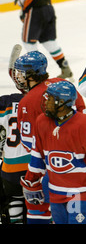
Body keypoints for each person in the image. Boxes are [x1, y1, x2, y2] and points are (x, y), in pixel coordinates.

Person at [20, 81, 86, 224]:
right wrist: (31, 180)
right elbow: (38, 155)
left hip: (83, 192)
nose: (45, 102)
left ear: (63, 102)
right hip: (55, 191)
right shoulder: (42, 122)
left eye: (50, 99)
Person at [14, 50, 86, 223]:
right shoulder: (62, 84)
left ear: (31, 74)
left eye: (22, 73)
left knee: (37, 207)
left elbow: (29, 144)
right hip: (78, 163)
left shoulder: (27, 102)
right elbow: (82, 113)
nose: (18, 77)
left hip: (50, 167)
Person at [0, 91, 26, 224]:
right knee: (41, 204)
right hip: (37, 167)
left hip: (10, 170)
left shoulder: (4, 103)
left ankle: (14, 218)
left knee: (12, 196)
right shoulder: (45, 100)